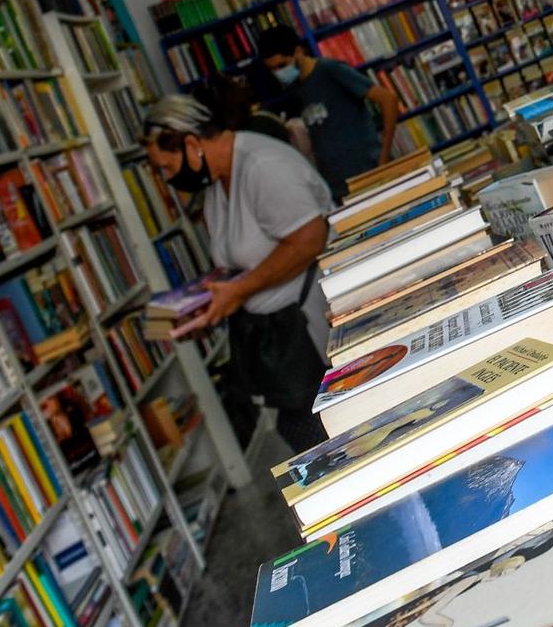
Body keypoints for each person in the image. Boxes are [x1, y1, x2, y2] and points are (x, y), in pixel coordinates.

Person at [143, 94, 331, 453]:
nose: (168, 179)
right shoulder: (217, 181)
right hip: (280, 340)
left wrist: (240, 290)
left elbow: (309, 240)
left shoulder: (262, 165)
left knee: (325, 440)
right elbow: (239, 261)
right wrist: (204, 303)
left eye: (166, 167)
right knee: (305, 441)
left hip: (313, 332)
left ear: (192, 143)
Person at [258, 24, 401, 204]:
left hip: (369, 172)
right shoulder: (296, 90)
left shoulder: (330, 70)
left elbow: (387, 99)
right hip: (337, 187)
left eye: (282, 65)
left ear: (298, 52)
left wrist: (384, 155)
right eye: (273, 69)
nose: (279, 73)